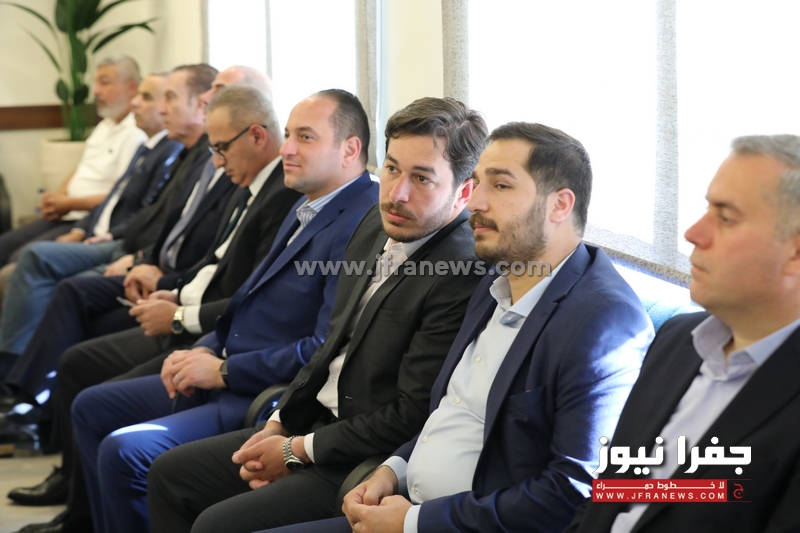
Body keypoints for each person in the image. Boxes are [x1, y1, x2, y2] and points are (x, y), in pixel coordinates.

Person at [260, 122, 654, 533]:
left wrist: (414, 521)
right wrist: (392, 469)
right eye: (478, 182)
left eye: (500, 185)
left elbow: (572, 492)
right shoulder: (494, 279)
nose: (476, 201)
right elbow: (452, 411)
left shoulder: (602, 319)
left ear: (559, 205)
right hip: (403, 502)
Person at [146, 96, 488, 533]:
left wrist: (298, 451)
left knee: (216, 525)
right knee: (170, 474)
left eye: (421, 178)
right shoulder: (375, 223)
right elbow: (330, 344)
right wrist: (279, 424)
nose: (396, 193)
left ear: (464, 192)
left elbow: (410, 414)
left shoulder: (461, 270)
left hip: (361, 460)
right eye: (391, 168)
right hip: (310, 424)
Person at [71, 88, 380, 533]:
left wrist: (223, 370)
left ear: (350, 149)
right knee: (92, 405)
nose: (287, 149)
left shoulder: (361, 221)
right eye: (288, 134)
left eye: (305, 137)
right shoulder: (306, 202)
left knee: (127, 451)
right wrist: (204, 346)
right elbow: (245, 299)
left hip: (258, 391)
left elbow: (321, 347)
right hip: (222, 363)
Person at [564, 134, 800, 533]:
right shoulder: (678, 340)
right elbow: (607, 497)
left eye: (726, 218)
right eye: (707, 209)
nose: (692, 233)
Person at [0, 72, 183, 362]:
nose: (137, 103)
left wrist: (130, 251)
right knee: (30, 254)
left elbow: (149, 214)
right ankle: (14, 360)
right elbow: (111, 200)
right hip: (98, 231)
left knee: (35, 267)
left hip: (120, 241)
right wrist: (81, 229)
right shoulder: (146, 146)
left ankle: (20, 365)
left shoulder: (171, 151)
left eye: (147, 97)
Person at [0, 56, 145, 265]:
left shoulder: (136, 133)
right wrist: (57, 199)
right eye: (96, 83)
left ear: (131, 87)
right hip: (66, 212)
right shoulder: (105, 124)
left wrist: (69, 203)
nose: (95, 91)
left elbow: (121, 196)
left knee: (20, 259)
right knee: (3, 245)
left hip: (87, 219)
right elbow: (82, 168)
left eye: (104, 83)